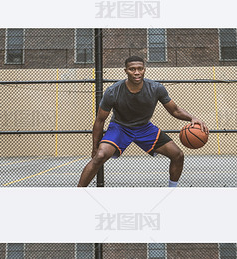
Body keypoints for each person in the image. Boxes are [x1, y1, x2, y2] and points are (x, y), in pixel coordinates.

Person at [77, 56, 208, 187]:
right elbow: (100, 121)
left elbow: (175, 111)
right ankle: (77, 195)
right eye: (132, 69)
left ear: (144, 69)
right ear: (125, 71)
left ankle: (171, 191)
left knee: (178, 155)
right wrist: (94, 147)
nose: (136, 72)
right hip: (120, 127)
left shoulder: (156, 88)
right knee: (99, 156)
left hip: (145, 128)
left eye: (140, 69)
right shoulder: (113, 91)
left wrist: (192, 118)